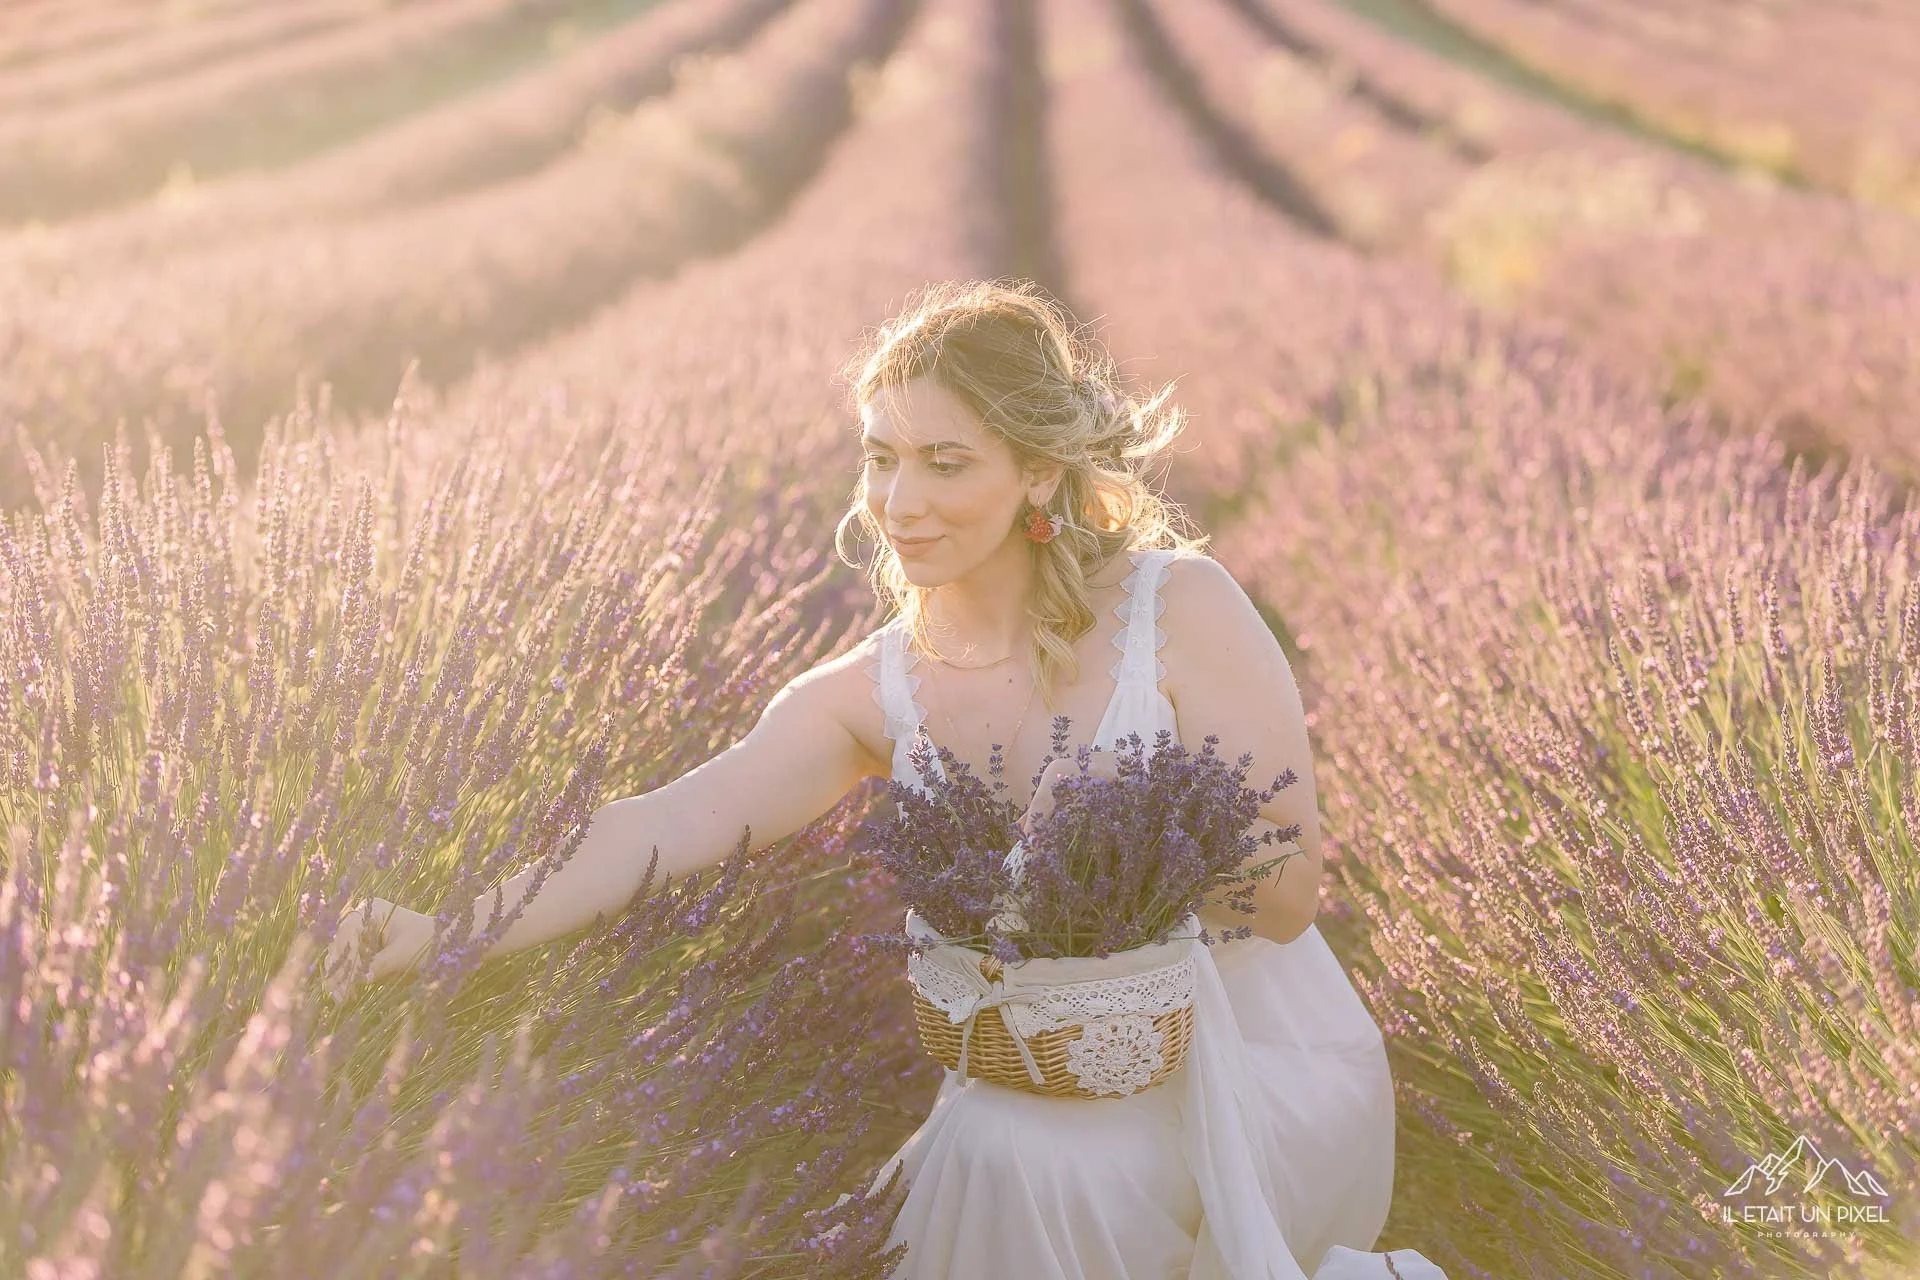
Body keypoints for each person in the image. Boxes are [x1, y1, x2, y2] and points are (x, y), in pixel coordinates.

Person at [324, 279, 1449, 1279]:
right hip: (1031, 1079)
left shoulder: (1182, 608)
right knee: (1007, 1145)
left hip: (1244, 1061)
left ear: (1037, 472)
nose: (899, 502)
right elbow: (666, 821)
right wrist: (448, 930)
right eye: (881, 457)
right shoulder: (873, 688)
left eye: (946, 462)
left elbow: (1289, 893)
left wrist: (1103, 853)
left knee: (1021, 1158)